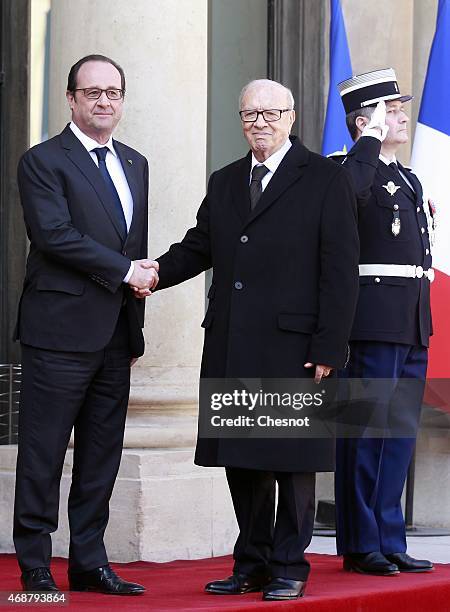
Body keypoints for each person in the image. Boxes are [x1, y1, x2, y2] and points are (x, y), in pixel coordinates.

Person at [145, 79, 359, 601]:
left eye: (269, 113)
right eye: (248, 114)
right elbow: (198, 248)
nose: (258, 123)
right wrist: (149, 273)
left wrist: (330, 348)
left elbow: (340, 271)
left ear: (291, 117)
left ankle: (289, 565)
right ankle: (253, 562)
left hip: (297, 348)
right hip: (234, 342)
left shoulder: (327, 179)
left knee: (292, 461)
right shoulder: (224, 182)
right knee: (242, 460)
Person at [13, 54, 158, 594]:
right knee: (44, 453)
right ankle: (34, 564)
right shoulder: (43, 161)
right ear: (70, 99)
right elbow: (54, 235)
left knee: (102, 453)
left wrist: (137, 294)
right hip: (59, 331)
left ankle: (88, 561)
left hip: (116, 333)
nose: (103, 101)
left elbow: (132, 243)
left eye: (113, 92)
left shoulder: (137, 163)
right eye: (92, 92)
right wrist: (127, 271)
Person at [333, 68, 434, 576]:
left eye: (399, 108)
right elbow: (349, 196)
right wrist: (367, 140)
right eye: (390, 110)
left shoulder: (408, 178)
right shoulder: (349, 167)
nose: (402, 116)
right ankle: (361, 541)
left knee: (397, 435)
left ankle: (389, 536)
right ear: (362, 122)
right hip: (371, 321)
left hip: (412, 319)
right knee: (366, 434)